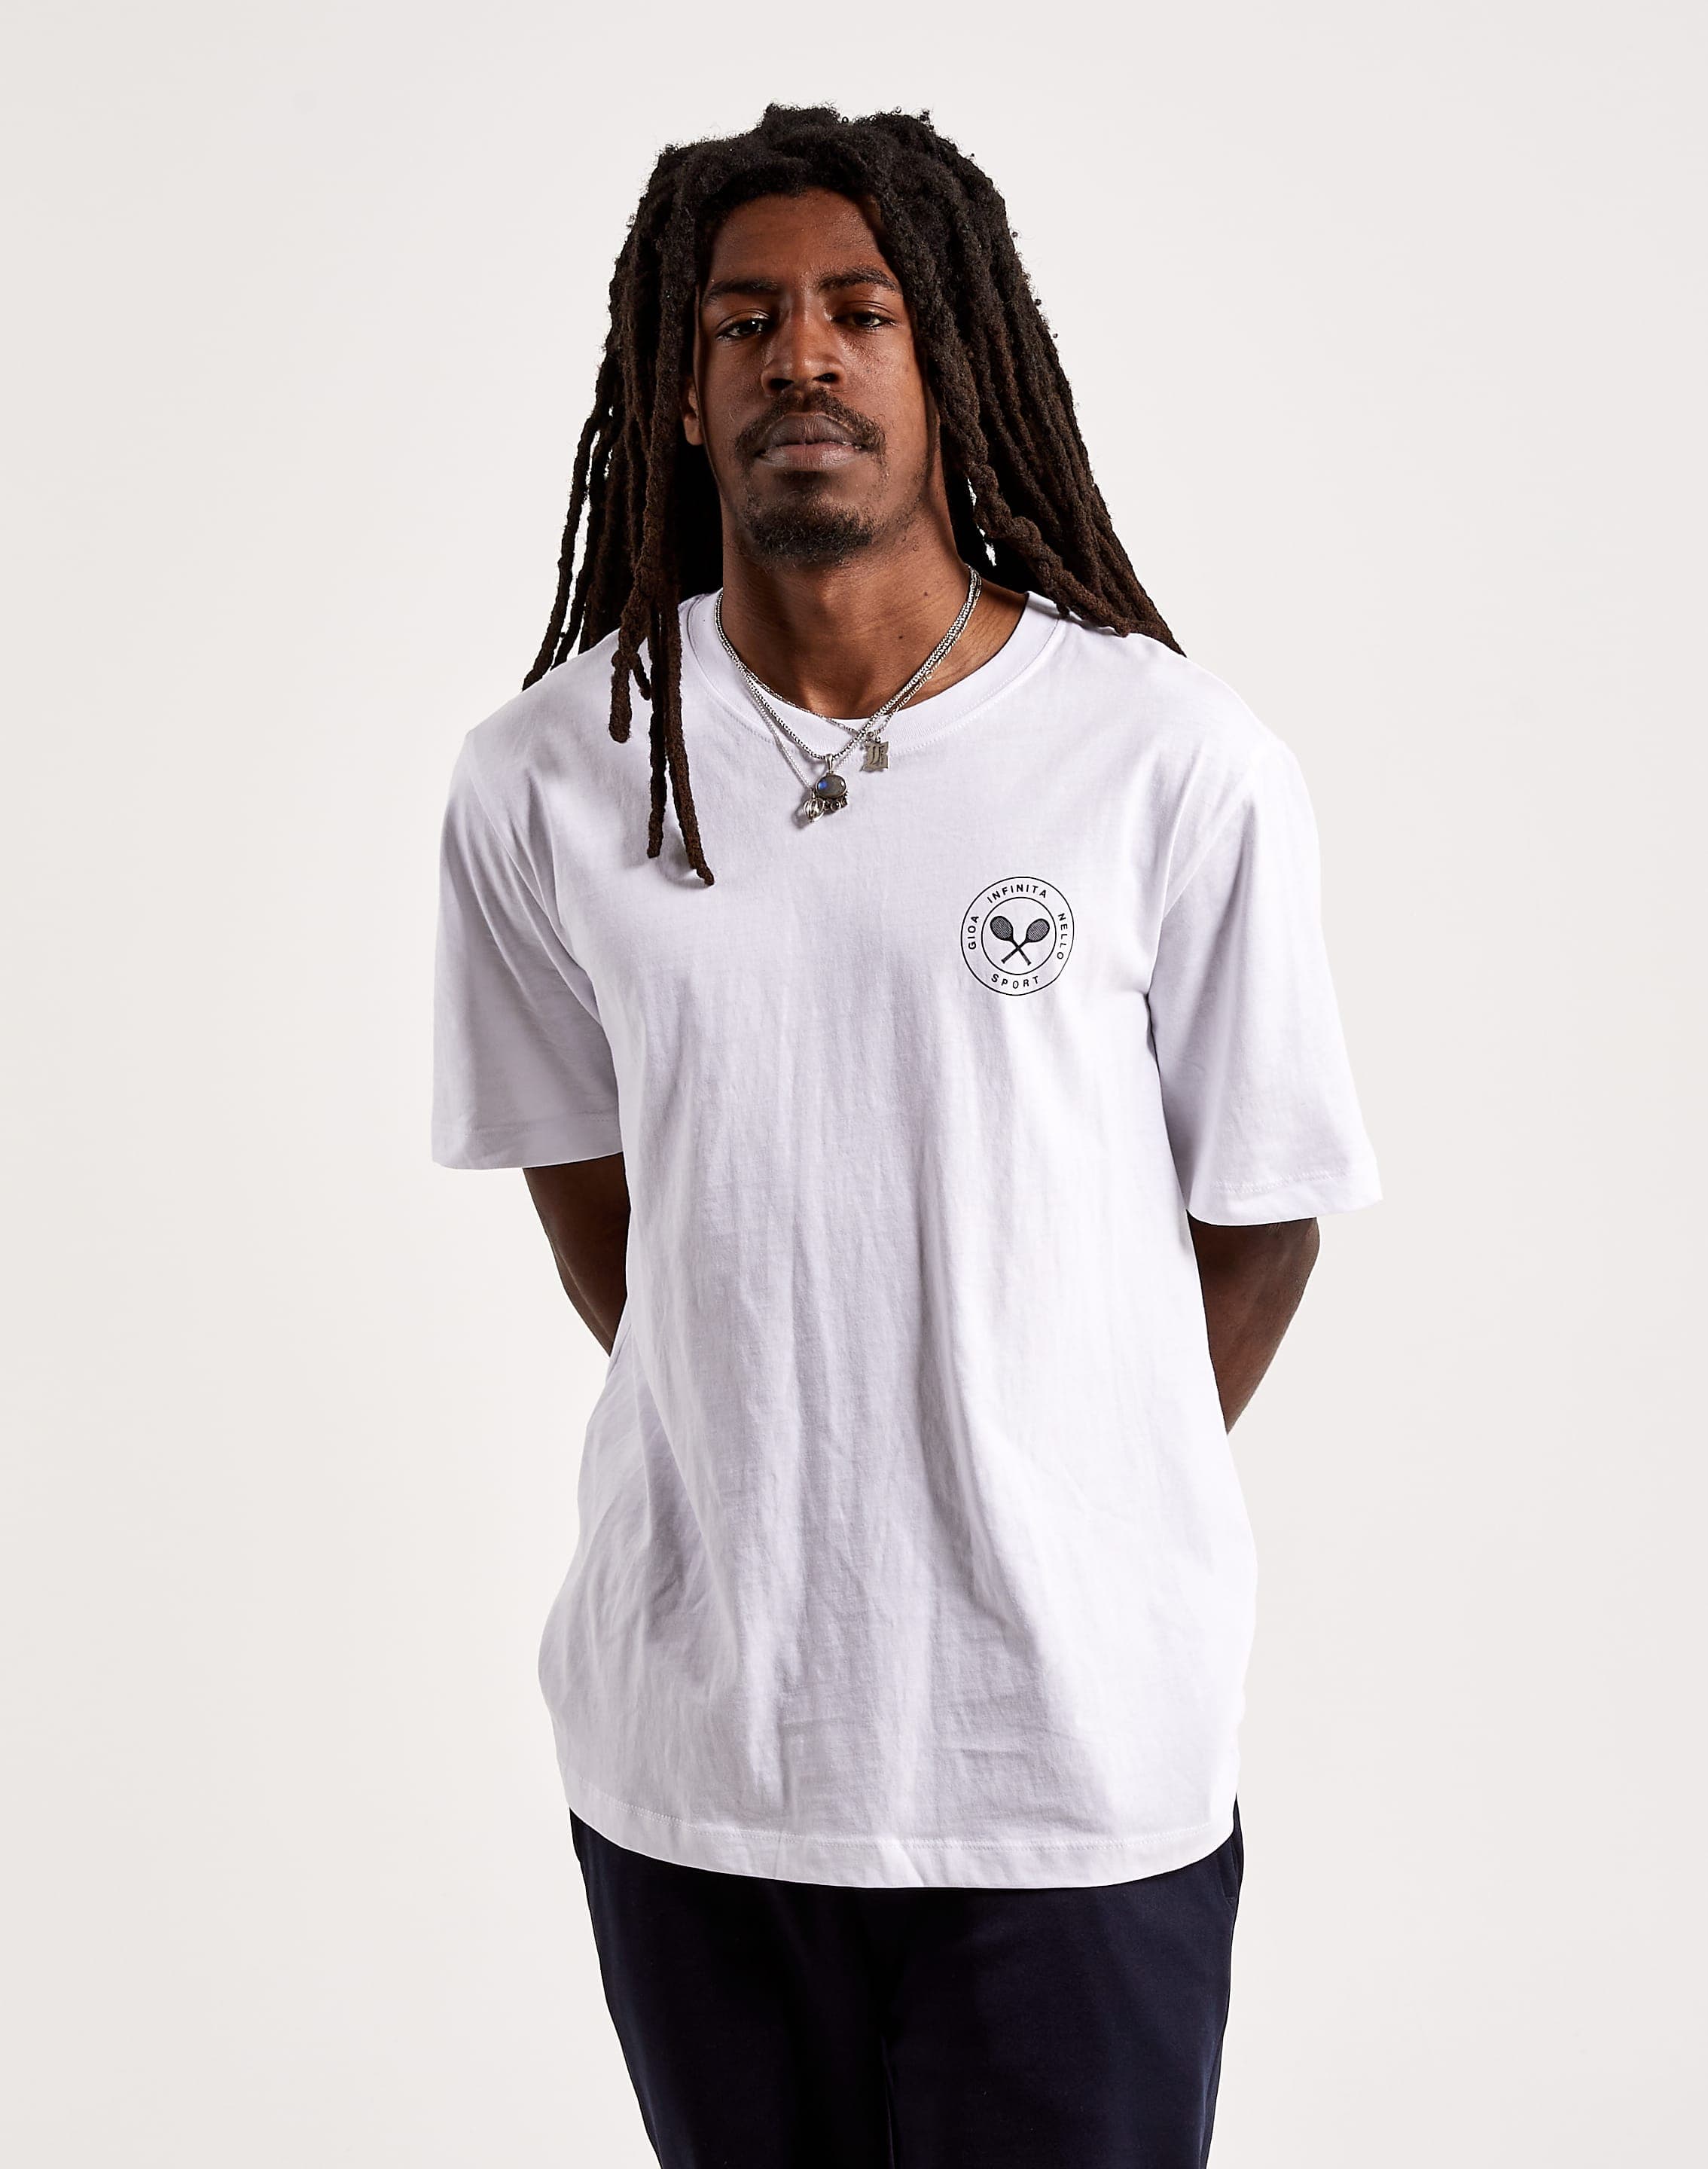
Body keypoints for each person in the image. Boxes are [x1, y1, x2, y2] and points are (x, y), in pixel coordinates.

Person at [431, 102, 1380, 2169]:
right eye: (744, 320)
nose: (803, 356)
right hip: (698, 1753)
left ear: (951, 358)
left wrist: (1059, 1475)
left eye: (861, 311)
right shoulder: (549, 779)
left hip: (1066, 1765)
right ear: (677, 388)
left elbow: (1262, 1220)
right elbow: (606, 1215)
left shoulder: (1166, 762)